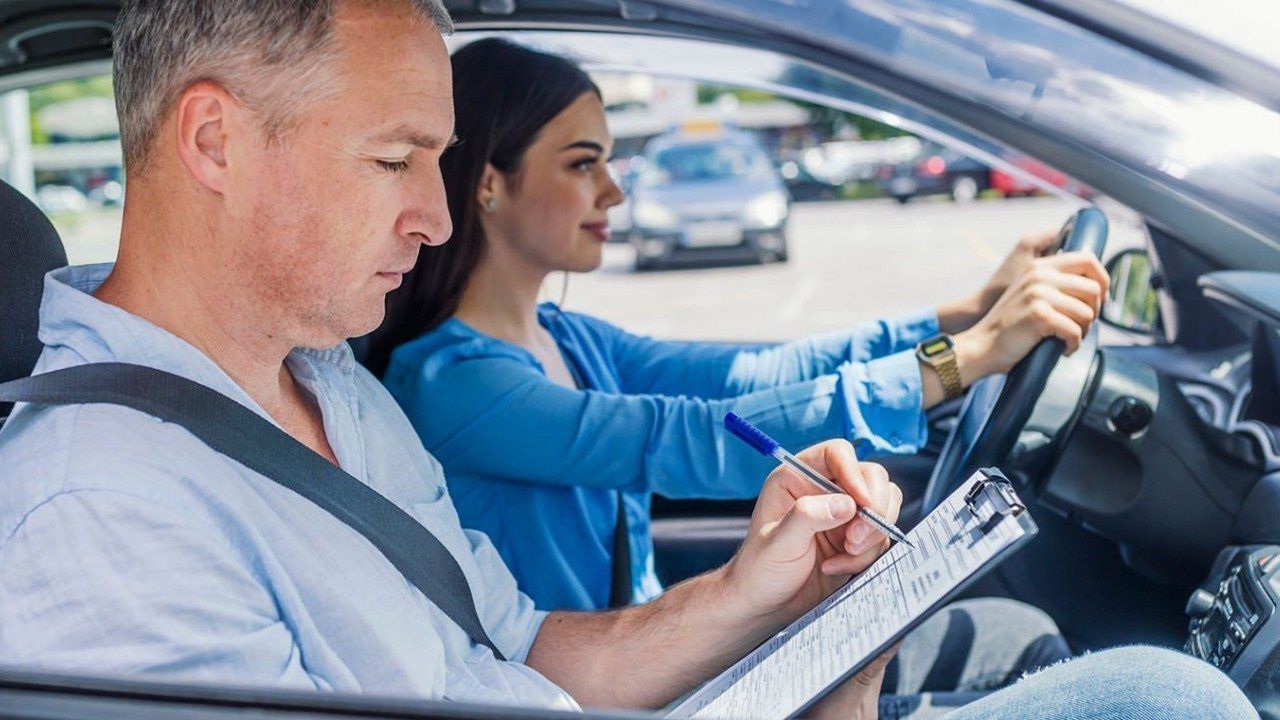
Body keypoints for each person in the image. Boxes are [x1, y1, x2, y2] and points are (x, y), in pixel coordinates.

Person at [0, 2, 1257, 719]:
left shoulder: (328, 389)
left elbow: (528, 651)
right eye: (394, 164)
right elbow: (676, 433)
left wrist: (768, 597)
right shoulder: (97, 517)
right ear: (214, 141)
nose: (435, 221)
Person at [368, 37, 1111, 612]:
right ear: (490, 183)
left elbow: (760, 373)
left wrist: (968, 317)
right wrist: (968, 359)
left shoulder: (565, 337)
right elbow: (685, 438)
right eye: (582, 164)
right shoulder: (454, 382)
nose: (616, 190)